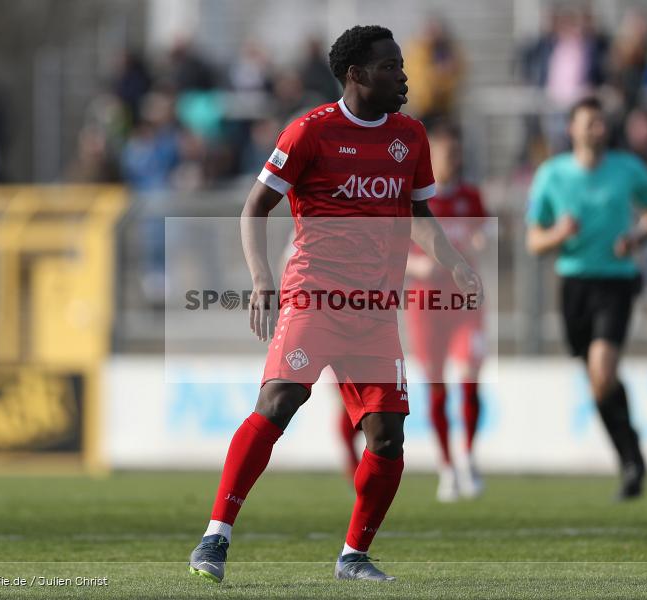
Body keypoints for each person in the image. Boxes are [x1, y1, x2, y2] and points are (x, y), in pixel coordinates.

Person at [187, 25, 481, 584]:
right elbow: (255, 208)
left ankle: (354, 556)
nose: (404, 75)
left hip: (374, 309)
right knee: (279, 400)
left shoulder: (411, 137)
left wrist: (455, 261)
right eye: (391, 66)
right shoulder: (309, 132)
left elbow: (419, 217)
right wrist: (261, 277)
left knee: (388, 437)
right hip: (314, 295)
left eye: (401, 65)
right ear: (357, 75)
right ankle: (214, 537)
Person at [525, 96, 647, 500]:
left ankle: (631, 459)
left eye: (601, 122)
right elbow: (534, 241)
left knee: (602, 368)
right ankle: (631, 457)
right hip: (575, 285)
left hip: (616, 281)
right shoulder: (552, 174)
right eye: (589, 123)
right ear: (572, 129)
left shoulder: (629, 169)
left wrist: (636, 237)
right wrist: (559, 234)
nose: (597, 129)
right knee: (598, 382)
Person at [404, 123, 487, 502]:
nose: (450, 160)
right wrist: (415, 267)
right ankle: (446, 467)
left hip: (464, 302)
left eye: (455, 153)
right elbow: (390, 246)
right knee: (436, 385)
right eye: (443, 153)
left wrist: (481, 241)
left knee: (470, 374)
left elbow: (483, 235)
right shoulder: (413, 199)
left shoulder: (470, 197)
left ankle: (468, 456)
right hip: (426, 304)